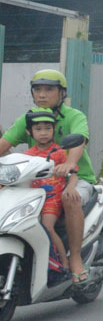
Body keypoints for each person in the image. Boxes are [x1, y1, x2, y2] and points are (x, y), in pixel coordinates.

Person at [0, 69, 96, 280]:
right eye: (38, 90)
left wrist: (70, 162)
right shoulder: (28, 119)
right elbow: (4, 144)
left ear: (62, 93)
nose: (42, 95)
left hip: (75, 178)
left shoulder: (74, 116)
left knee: (70, 198)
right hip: (38, 182)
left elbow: (79, 140)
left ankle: (76, 259)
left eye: (49, 90)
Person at [23, 108, 79, 281]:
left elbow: (74, 173)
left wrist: (70, 188)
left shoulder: (60, 153)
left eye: (47, 128)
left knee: (47, 227)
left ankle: (64, 262)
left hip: (52, 198)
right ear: (29, 131)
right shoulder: (27, 155)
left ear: (54, 129)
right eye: (38, 129)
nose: (43, 133)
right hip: (32, 198)